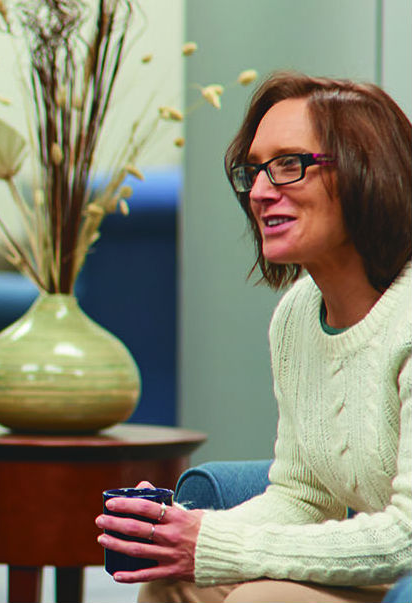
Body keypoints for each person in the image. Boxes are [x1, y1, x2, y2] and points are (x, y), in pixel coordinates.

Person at [95, 71, 412, 602]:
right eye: (255, 170)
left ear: (368, 173)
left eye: (290, 165)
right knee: (175, 586)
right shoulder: (295, 317)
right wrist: (184, 531)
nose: (261, 192)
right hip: (387, 578)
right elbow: (304, 494)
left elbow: (406, 537)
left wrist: (216, 544)